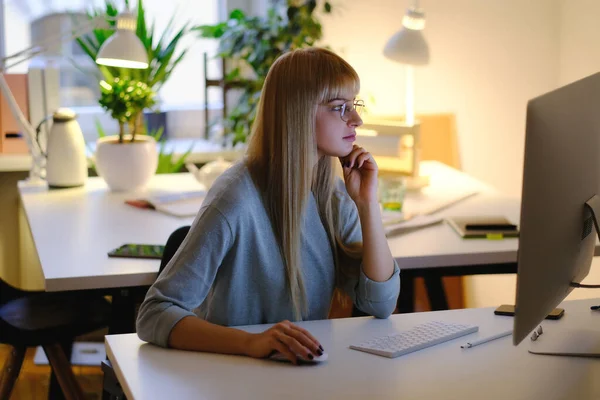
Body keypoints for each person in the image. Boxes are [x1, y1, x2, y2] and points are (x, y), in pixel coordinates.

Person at [136, 47, 400, 364]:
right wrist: (252, 343)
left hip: (296, 374)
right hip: (230, 373)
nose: (356, 120)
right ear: (298, 112)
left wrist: (368, 203)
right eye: (339, 108)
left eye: (354, 105)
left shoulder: (333, 196)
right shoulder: (235, 197)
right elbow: (154, 314)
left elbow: (381, 303)